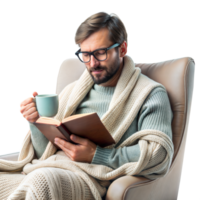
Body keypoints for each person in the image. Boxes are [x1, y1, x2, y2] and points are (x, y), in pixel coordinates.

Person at [16, 10, 173, 199]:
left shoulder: (150, 94)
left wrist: (96, 155)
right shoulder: (71, 92)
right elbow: (45, 154)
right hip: (54, 166)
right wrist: (35, 121)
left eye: (100, 53)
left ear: (122, 49)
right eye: (86, 54)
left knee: (41, 181)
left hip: (93, 178)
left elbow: (158, 153)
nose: (92, 63)